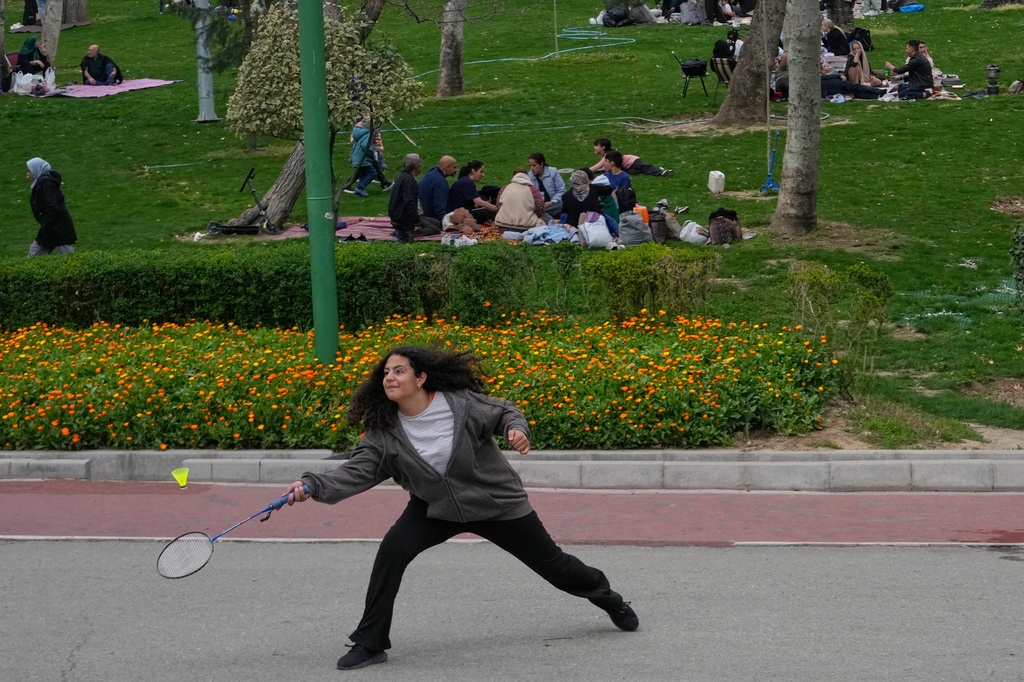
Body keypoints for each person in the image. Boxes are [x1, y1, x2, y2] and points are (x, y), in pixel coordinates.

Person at [281, 347, 639, 671]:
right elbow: (357, 470)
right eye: (386, 373)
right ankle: (370, 642)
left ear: (420, 378)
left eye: (399, 371)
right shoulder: (384, 431)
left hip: (496, 502)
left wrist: (516, 430)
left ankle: (610, 600)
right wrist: (313, 486)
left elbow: (504, 411)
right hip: (435, 508)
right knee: (392, 552)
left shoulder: (460, 404)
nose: (389, 377)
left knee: (556, 567)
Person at [26, 158, 76, 256]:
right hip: (51, 228)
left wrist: (46, 223)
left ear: (37, 170)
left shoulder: (46, 184)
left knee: (68, 257)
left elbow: (52, 207)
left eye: (29, 171)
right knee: (34, 253)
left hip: (58, 229)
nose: (28, 174)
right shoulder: (43, 183)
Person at [560, 169, 617, 234]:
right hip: (593, 223)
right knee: (608, 219)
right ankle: (617, 233)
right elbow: (609, 189)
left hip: (574, 226)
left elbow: (564, 211)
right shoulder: (593, 188)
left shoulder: (565, 196)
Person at [387, 153, 428, 243]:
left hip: (396, 217)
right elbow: (409, 202)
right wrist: (416, 222)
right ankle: (408, 234)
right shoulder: (409, 181)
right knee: (434, 228)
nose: (421, 165)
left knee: (434, 222)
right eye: (420, 163)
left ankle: (401, 231)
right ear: (416, 166)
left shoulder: (402, 177)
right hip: (403, 219)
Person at [589, 138, 673, 177]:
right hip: (628, 167)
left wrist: (585, 171)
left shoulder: (608, 155)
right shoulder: (606, 156)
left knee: (645, 167)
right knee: (635, 172)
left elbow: (598, 166)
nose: (594, 147)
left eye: (596, 146)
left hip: (633, 161)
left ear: (603, 147)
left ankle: (661, 171)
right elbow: (604, 168)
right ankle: (656, 171)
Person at [526, 152, 565, 221]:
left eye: (534, 165)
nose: (531, 168)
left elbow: (561, 190)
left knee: (563, 205)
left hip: (554, 204)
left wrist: (552, 202)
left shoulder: (553, 172)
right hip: (540, 206)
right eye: (530, 165)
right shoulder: (529, 176)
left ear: (541, 164)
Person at [418, 155, 457, 221]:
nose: (456, 170)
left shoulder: (432, 171)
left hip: (422, 213)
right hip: (432, 218)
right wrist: (446, 223)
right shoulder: (441, 183)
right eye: (454, 167)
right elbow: (440, 209)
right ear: (446, 168)